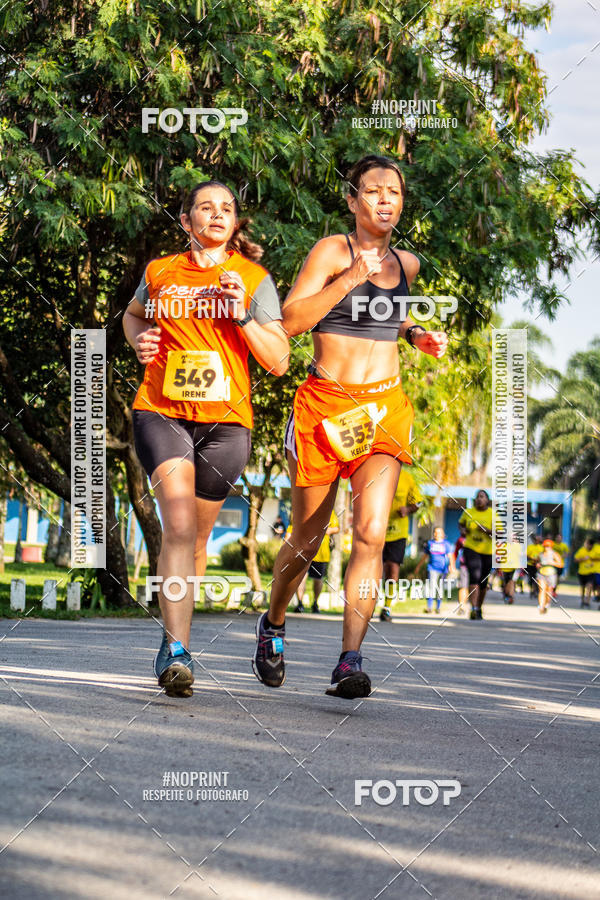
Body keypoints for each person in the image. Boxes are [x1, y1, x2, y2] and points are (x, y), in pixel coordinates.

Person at [252, 154, 448, 699]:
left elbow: (386, 317)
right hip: (324, 408)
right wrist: (349, 278)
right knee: (308, 539)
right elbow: (288, 322)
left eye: (395, 192)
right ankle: (273, 622)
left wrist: (415, 336)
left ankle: (349, 660)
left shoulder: (406, 264)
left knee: (370, 533)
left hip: (384, 411)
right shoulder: (331, 251)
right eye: (375, 191)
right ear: (353, 200)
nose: (386, 200)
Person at [124, 181, 289, 696]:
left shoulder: (253, 278)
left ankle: (179, 641)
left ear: (235, 223)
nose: (217, 215)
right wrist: (140, 341)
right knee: (176, 523)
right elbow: (132, 316)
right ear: (186, 219)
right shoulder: (160, 272)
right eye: (205, 207)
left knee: (195, 537)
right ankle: (176, 649)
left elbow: (279, 361)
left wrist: (242, 313)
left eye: (227, 208)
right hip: (162, 411)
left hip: (226, 425)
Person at [380, 468, 422, 621]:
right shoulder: (377, 472)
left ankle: (387, 607)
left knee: (392, 569)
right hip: (376, 529)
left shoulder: (407, 477)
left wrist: (408, 509)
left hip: (398, 532)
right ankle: (367, 605)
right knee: (375, 569)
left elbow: (418, 502)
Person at [459, 490, 499, 620]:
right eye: (477, 497)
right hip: (471, 548)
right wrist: (464, 531)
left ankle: (478, 607)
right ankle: (473, 608)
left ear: (487, 500)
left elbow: (499, 534)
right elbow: (461, 524)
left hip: (488, 551)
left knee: (483, 581)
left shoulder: (493, 515)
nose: (479, 499)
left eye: (482, 497)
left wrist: (486, 530)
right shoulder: (468, 512)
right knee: (474, 576)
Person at [293, 510, 339, 613]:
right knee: (301, 577)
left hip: (321, 553)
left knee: (318, 579)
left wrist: (326, 530)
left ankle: (315, 603)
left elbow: (336, 528)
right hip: (304, 550)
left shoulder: (328, 510)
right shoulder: (305, 506)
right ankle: (300, 604)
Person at [413, 527, 455, 614]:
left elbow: (450, 556)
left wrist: (452, 566)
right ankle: (429, 607)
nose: (437, 534)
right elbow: (425, 556)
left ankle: (438, 607)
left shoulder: (446, 544)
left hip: (442, 569)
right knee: (431, 587)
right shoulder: (430, 543)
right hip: (432, 568)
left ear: (442, 534)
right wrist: (418, 566)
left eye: (439, 532)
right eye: (435, 532)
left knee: (439, 588)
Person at [536, 539, 562, 613]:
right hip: (541, 573)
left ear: (551, 547)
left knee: (549, 590)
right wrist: (538, 564)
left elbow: (560, 564)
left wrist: (552, 563)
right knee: (542, 590)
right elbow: (537, 562)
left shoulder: (554, 554)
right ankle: (541, 606)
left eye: (548, 546)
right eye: (545, 546)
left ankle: (547, 603)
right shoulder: (541, 554)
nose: (547, 548)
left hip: (551, 574)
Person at [454, 524, 470, 614]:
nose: (462, 531)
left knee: (471, 587)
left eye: (464, 529)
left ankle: (474, 606)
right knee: (463, 586)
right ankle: (462, 606)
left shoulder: (477, 538)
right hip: (464, 565)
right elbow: (455, 552)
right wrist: (452, 564)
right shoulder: (460, 539)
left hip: (476, 565)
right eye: (461, 529)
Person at [574, 538, 594, 608]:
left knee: (589, 586)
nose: (587, 545)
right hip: (581, 572)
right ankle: (582, 600)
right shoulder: (581, 550)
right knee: (582, 587)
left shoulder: (594, 551)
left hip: (590, 573)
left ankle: (587, 601)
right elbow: (575, 560)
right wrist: (583, 559)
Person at [526, 534, 543, 599]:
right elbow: (527, 555)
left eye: (537, 540)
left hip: (538, 566)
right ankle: (531, 590)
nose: (536, 541)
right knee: (530, 578)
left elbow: (542, 556)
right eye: (535, 540)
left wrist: (537, 560)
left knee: (537, 579)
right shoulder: (530, 547)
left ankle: (535, 590)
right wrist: (532, 559)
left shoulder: (541, 547)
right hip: (530, 565)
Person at [552, 533, 569, 597]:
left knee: (557, 578)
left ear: (561, 539)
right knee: (553, 577)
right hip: (553, 564)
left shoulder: (564, 546)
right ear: (555, 538)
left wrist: (561, 557)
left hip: (560, 564)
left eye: (560, 538)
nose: (558, 539)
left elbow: (567, 553)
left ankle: (554, 590)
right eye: (557, 537)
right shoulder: (552, 544)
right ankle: (551, 590)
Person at [590, 534, 600, 606]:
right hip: (596, 570)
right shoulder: (595, 547)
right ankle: (597, 596)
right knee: (597, 585)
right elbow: (591, 557)